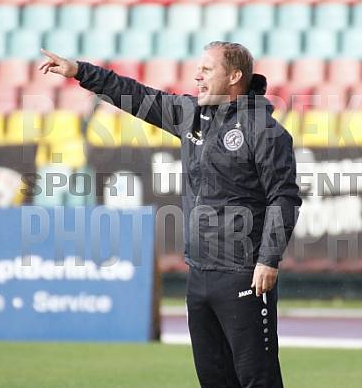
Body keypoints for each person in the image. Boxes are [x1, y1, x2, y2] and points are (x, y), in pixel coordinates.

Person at [39, 41, 302, 388]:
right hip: (199, 274)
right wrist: (80, 72)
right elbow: (135, 95)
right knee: (213, 380)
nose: (197, 76)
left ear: (234, 76)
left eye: (207, 70)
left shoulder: (265, 131)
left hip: (244, 276)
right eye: (199, 69)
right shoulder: (190, 114)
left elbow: (284, 198)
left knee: (258, 379)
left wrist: (268, 259)